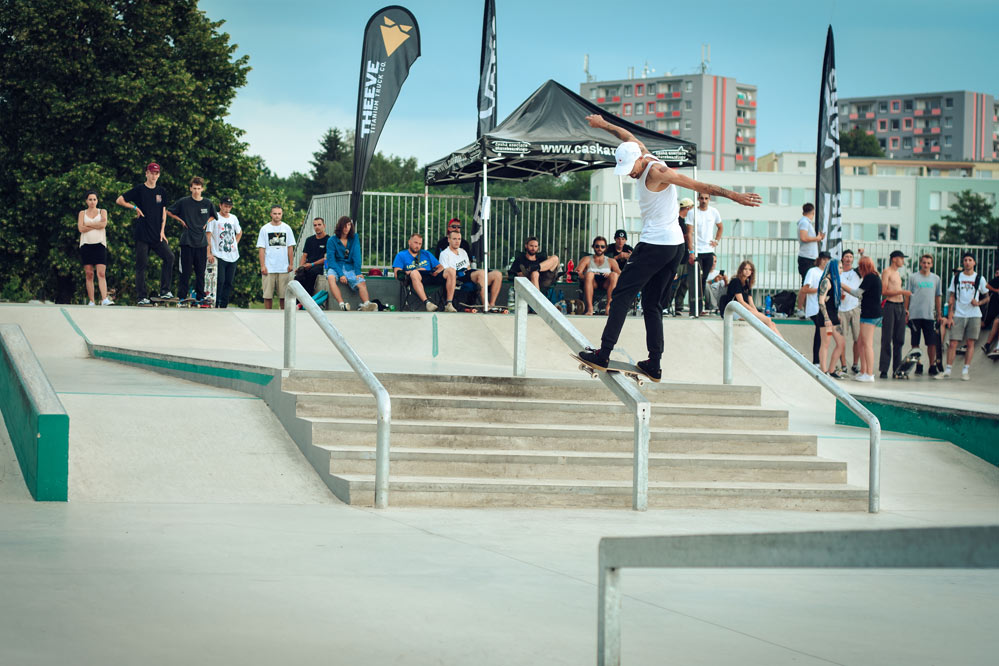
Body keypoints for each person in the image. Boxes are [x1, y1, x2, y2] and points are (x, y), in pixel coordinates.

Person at [576, 114, 761, 381]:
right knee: (652, 304)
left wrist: (735, 196)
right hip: (673, 248)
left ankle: (603, 353)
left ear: (640, 160)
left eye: (632, 169)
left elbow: (700, 186)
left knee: (621, 296)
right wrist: (602, 124)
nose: (631, 174)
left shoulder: (659, 172)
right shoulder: (641, 152)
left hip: (656, 245)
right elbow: (624, 134)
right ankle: (654, 363)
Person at [116, 162, 174, 305]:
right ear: (146, 173)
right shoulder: (139, 189)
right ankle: (142, 297)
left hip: (156, 235)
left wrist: (162, 231)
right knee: (142, 265)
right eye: (151, 173)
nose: (153, 176)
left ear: (158, 175)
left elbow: (163, 213)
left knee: (170, 257)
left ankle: (165, 291)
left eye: (156, 173)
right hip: (142, 234)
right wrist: (134, 207)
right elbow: (119, 200)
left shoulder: (161, 191)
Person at [936, 253, 990, 380]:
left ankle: (965, 370)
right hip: (959, 314)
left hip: (974, 314)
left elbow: (987, 297)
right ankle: (948, 369)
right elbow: (951, 297)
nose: (967, 262)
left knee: (970, 342)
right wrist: (950, 315)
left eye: (970, 260)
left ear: (974, 263)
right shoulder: (957, 277)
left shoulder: (979, 278)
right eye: (965, 260)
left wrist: (979, 302)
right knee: (953, 342)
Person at [167, 177, 217, 302]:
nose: (196, 191)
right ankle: (182, 296)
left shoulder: (207, 203)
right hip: (187, 241)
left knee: (200, 272)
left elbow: (214, 215)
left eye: (198, 188)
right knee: (186, 272)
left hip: (201, 241)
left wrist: (206, 222)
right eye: (194, 188)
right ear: (190, 188)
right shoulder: (184, 202)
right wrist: (181, 220)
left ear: (202, 189)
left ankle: (200, 296)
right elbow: (168, 211)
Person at [438, 229, 503, 311]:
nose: (457, 241)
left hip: (470, 274)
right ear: (449, 240)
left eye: (459, 239)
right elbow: (446, 272)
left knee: (497, 274)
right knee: (481, 273)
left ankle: (492, 304)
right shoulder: (444, 254)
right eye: (454, 239)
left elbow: (468, 267)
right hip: (459, 277)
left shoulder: (463, 252)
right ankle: (485, 305)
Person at [326, 216, 378, 311]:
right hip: (336, 266)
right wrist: (341, 274)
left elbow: (356, 255)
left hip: (350, 267)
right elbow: (331, 260)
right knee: (330, 278)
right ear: (340, 226)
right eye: (344, 225)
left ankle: (367, 304)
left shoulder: (354, 238)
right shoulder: (331, 240)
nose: (347, 228)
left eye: (349, 225)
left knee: (361, 282)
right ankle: (342, 304)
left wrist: (358, 272)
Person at [721, 260, 783, 339]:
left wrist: (757, 313)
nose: (747, 271)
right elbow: (741, 302)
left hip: (743, 311)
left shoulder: (747, 284)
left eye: (749, 269)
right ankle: (782, 345)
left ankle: (785, 345)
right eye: (745, 269)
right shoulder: (736, 281)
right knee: (767, 320)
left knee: (771, 323)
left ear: (752, 272)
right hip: (734, 312)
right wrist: (755, 313)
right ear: (741, 270)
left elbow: (751, 303)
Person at [906, 254, 942, 376]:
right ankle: (918, 364)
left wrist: (939, 313)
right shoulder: (913, 277)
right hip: (915, 314)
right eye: (924, 262)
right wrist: (906, 311)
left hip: (929, 315)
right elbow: (907, 295)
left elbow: (938, 296)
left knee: (931, 342)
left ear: (931, 264)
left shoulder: (936, 279)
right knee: (915, 342)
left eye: (928, 263)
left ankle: (932, 365)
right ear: (920, 263)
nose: (926, 265)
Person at [255, 205, 296, 310]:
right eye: (275, 213)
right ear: (271, 214)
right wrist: (263, 265)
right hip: (269, 267)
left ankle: (284, 315)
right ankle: (268, 314)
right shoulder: (265, 229)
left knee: (283, 295)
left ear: (282, 214)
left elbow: (290, 247)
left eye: (279, 213)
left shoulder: (287, 228)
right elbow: (261, 249)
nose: (277, 216)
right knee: (267, 295)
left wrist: (291, 264)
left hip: (283, 267)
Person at [689, 192, 723, 316]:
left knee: (703, 279)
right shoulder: (692, 213)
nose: (704, 200)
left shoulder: (714, 212)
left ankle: (701, 306)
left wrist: (716, 241)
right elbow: (689, 233)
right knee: (695, 279)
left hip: (708, 251)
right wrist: (691, 251)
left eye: (706, 198)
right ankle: (695, 307)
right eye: (702, 198)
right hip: (697, 251)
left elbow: (720, 227)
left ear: (709, 199)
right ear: (698, 199)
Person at [879, 250, 911, 379]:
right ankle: (884, 369)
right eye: (901, 258)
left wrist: (905, 307)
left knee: (899, 339)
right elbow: (884, 291)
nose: (903, 261)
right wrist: (902, 291)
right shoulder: (887, 272)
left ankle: (897, 369)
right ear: (894, 259)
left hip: (900, 306)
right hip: (890, 305)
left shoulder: (898, 273)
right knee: (887, 338)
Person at [393, 233, 445, 312]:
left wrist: (436, 272)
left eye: (420, 244)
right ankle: (427, 303)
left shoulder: (426, 253)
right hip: (413, 279)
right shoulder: (401, 255)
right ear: (409, 242)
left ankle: (449, 304)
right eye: (415, 243)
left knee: (450, 271)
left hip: (429, 277)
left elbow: (440, 267)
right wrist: (410, 271)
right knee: (414, 273)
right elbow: (397, 274)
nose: (417, 246)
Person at [78, 190, 112, 306]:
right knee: (89, 273)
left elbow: (103, 225)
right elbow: (80, 229)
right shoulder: (82, 213)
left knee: (101, 273)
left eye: (94, 199)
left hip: (100, 244)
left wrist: (87, 225)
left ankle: (104, 299)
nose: (92, 202)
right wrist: (95, 225)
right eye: (90, 199)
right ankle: (91, 300)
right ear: (86, 201)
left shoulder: (102, 212)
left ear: (97, 200)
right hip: (86, 244)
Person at [206, 196, 240, 309]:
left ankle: (224, 305)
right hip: (219, 255)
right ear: (220, 205)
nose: (227, 209)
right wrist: (209, 252)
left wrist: (235, 243)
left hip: (233, 255)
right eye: (225, 206)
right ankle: (216, 303)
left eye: (229, 207)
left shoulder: (233, 218)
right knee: (220, 281)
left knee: (229, 282)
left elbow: (239, 232)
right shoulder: (214, 217)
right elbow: (208, 235)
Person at [852, 255, 882, 382]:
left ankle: (869, 373)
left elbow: (857, 293)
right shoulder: (874, 276)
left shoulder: (870, 277)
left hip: (871, 314)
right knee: (860, 342)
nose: (859, 269)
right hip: (869, 313)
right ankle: (863, 371)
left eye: (860, 266)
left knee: (867, 344)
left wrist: (841, 285)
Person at [662, 198, 694, 315]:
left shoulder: (683, 221)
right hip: (678, 257)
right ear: (688, 208)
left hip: (684, 256)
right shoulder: (677, 221)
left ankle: (678, 306)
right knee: (674, 283)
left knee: (684, 283)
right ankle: (665, 305)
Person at [800, 251, 831, 366]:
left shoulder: (829, 274)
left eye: (827, 259)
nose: (825, 261)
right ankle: (816, 361)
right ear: (820, 260)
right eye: (824, 259)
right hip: (814, 308)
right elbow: (804, 289)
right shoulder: (812, 271)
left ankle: (819, 361)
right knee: (819, 331)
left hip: (825, 308)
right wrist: (819, 290)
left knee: (823, 334)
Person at [576, 236, 621, 315]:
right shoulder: (587, 259)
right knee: (589, 274)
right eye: (597, 246)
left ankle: (608, 307)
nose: (599, 248)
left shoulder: (611, 261)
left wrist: (610, 274)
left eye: (602, 246)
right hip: (593, 283)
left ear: (606, 248)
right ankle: (590, 308)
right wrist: (586, 276)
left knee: (614, 275)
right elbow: (577, 272)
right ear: (593, 247)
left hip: (606, 283)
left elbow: (620, 274)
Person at [816, 262, 846, 378]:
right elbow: (821, 301)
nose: (841, 270)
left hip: (834, 317)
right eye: (840, 267)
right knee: (825, 343)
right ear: (834, 268)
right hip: (826, 319)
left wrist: (836, 315)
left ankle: (832, 369)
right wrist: (826, 318)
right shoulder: (826, 282)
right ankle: (824, 371)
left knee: (841, 343)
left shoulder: (835, 282)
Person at [836, 249, 862, 374]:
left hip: (855, 307)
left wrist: (862, 254)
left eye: (851, 257)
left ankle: (856, 364)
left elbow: (867, 265)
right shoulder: (838, 272)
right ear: (842, 258)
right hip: (841, 309)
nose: (848, 259)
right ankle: (844, 364)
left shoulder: (857, 272)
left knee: (857, 337)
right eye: (846, 256)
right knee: (842, 338)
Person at [295, 217, 330, 297]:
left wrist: (312, 264)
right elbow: (304, 255)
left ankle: (307, 299)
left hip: (321, 266)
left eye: (319, 225)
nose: (317, 227)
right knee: (298, 276)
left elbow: (326, 258)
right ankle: (297, 301)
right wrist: (300, 267)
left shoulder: (329, 240)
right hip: (308, 265)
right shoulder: (309, 240)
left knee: (312, 273)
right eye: (315, 225)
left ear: (324, 226)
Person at [796, 203, 824, 283]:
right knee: (807, 281)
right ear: (813, 212)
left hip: (809, 257)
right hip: (806, 257)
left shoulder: (805, 222)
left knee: (810, 281)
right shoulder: (804, 222)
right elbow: (803, 237)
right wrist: (817, 238)